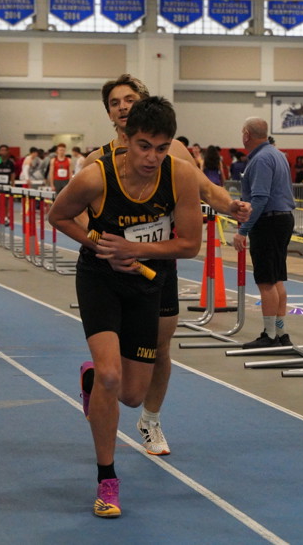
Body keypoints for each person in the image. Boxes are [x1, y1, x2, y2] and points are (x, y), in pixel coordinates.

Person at [48, 96, 202, 519]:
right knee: (112, 376)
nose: (152, 157)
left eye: (162, 147)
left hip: (146, 284)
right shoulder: (95, 176)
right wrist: (100, 245)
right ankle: (107, 480)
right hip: (100, 279)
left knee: (132, 395)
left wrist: (135, 249)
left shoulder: (180, 176)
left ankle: (92, 379)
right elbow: (58, 216)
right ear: (126, 139)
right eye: (144, 146)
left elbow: (190, 244)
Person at [83, 74, 250, 458]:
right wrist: (102, 246)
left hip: (160, 265)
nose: (123, 107)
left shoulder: (172, 151)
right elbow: (75, 214)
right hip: (114, 271)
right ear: (108, 113)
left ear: (143, 103)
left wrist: (231, 206)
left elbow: (205, 189)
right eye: (115, 103)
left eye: (129, 99)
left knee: (160, 347)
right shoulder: (98, 160)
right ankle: (102, 381)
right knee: (115, 364)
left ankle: (151, 420)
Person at [233, 117, 297, 349]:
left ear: (246, 135)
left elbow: (260, 198)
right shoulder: (277, 154)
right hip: (282, 219)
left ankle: (270, 336)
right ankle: (280, 332)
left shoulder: (260, 159)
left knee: (266, 281)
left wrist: (243, 230)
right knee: (276, 278)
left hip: (268, 221)